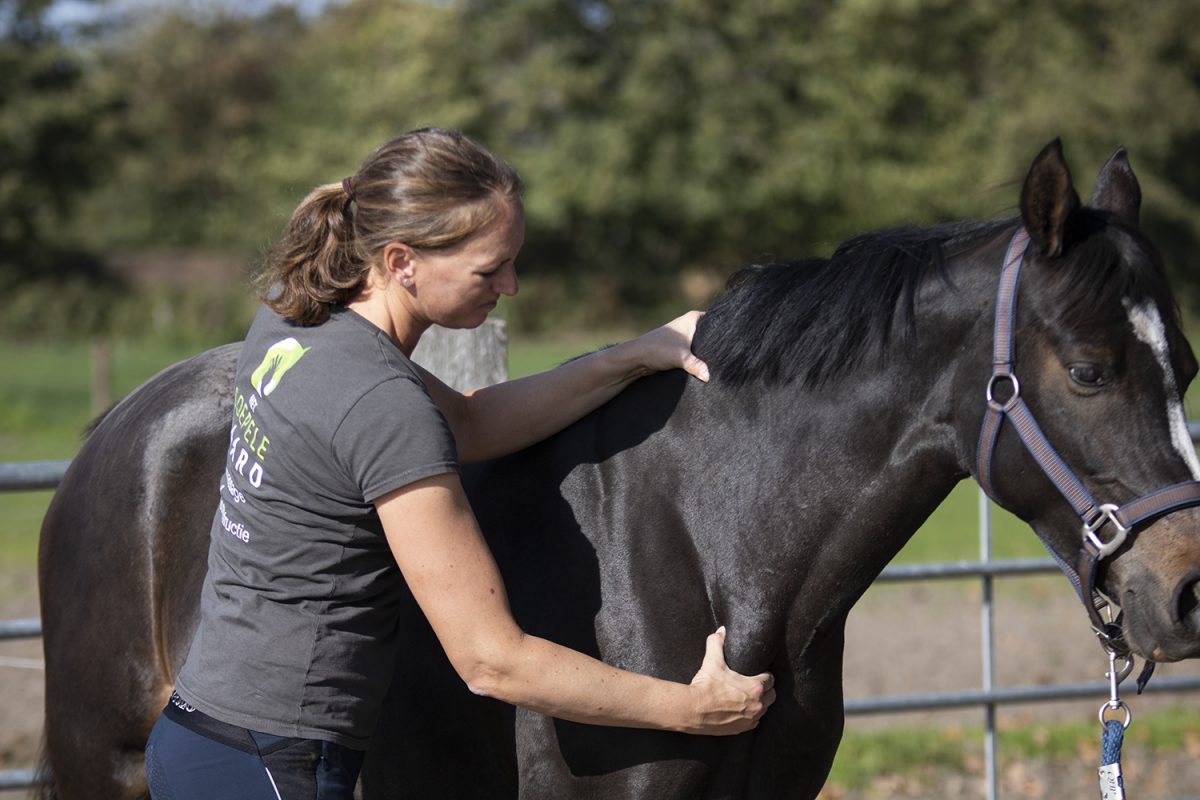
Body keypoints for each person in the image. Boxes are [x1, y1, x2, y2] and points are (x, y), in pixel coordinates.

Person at [144, 127, 775, 799]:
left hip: (202, 734)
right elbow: (491, 661)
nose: (511, 284)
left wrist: (632, 354)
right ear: (403, 259)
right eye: (489, 268)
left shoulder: (297, 324)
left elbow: (471, 421)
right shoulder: (380, 402)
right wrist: (694, 710)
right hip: (276, 765)